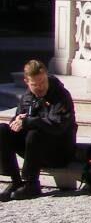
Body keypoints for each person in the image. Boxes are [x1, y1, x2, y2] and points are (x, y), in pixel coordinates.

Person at [0, 59, 77, 201]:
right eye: (35, 85)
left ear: (47, 76)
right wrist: (17, 121)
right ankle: (16, 181)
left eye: (42, 82)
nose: (40, 87)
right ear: (26, 82)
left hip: (59, 151)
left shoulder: (61, 95)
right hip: (34, 150)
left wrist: (30, 121)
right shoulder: (27, 96)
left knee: (36, 132)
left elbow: (58, 126)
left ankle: (32, 183)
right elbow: (19, 122)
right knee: (2, 130)